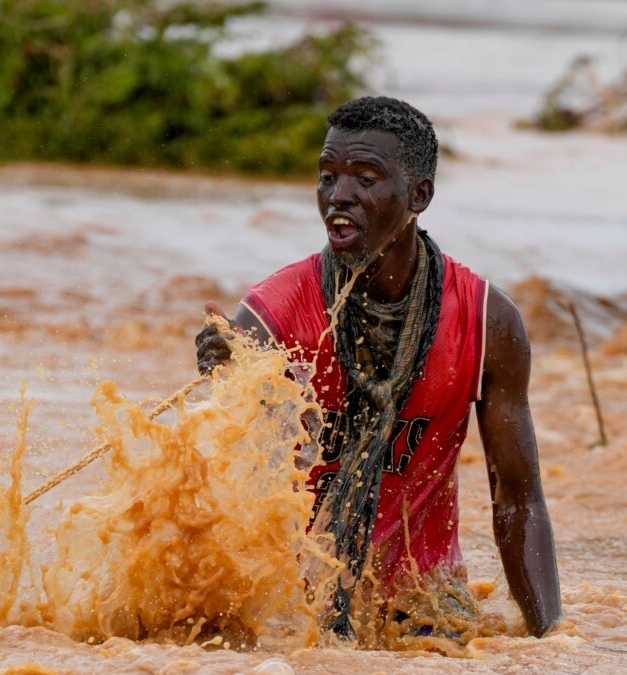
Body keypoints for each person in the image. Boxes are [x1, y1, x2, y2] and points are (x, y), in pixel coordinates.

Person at [194, 97, 562, 642]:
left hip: (422, 598)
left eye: (365, 178)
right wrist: (227, 369)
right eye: (327, 177)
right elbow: (222, 487)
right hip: (294, 602)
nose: (338, 196)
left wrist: (551, 643)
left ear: (420, 195)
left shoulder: (488, 321)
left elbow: (518, 497)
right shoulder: (275, 313)